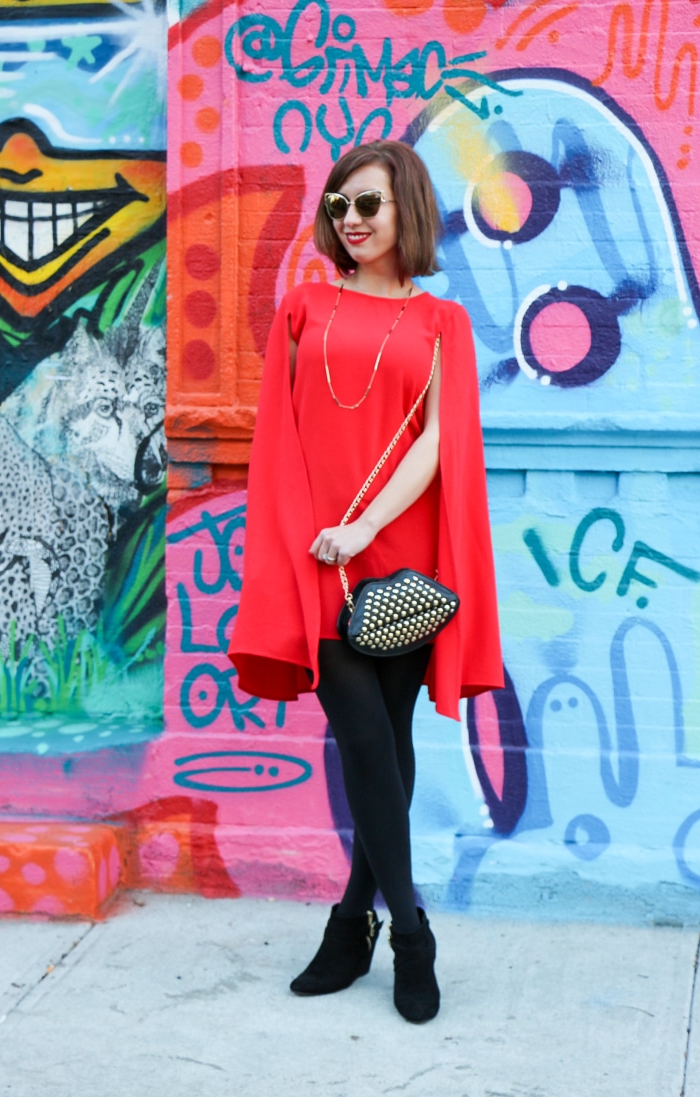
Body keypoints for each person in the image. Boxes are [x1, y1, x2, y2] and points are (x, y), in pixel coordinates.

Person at [229, 140, 503, 1023]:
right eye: (342, 204)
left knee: (386, 736)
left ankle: (353, 923)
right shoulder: (305, 307)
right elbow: (281, 433)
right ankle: (411, 929)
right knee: (363, 739)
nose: (352, 219)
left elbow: (437, 442)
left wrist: (368, 528)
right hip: (317, 555)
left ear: (406, 212)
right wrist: (324, 536)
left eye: (370, 205)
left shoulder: (440, 324)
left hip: (401, 555)